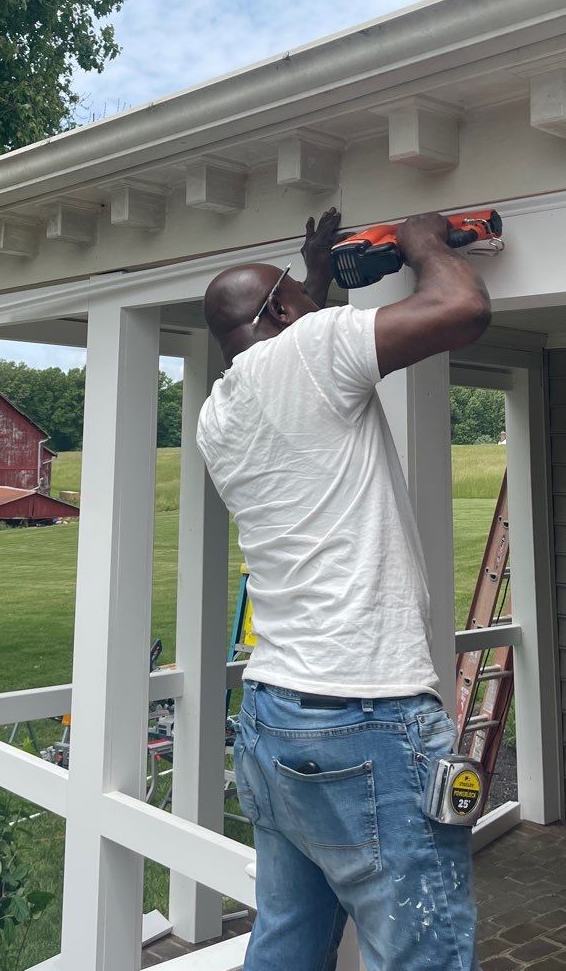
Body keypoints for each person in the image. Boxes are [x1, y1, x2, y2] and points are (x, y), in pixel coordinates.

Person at [196, 209, 491, 971]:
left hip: (274, 717)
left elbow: (295, 349)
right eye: (298, 293)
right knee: (422, 952)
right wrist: (424, 241)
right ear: (286, 314)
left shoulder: (217, 415)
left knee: (287, 944)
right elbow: (462, 308)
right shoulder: (307, 353)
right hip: (365, 716)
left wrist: (312, 275)